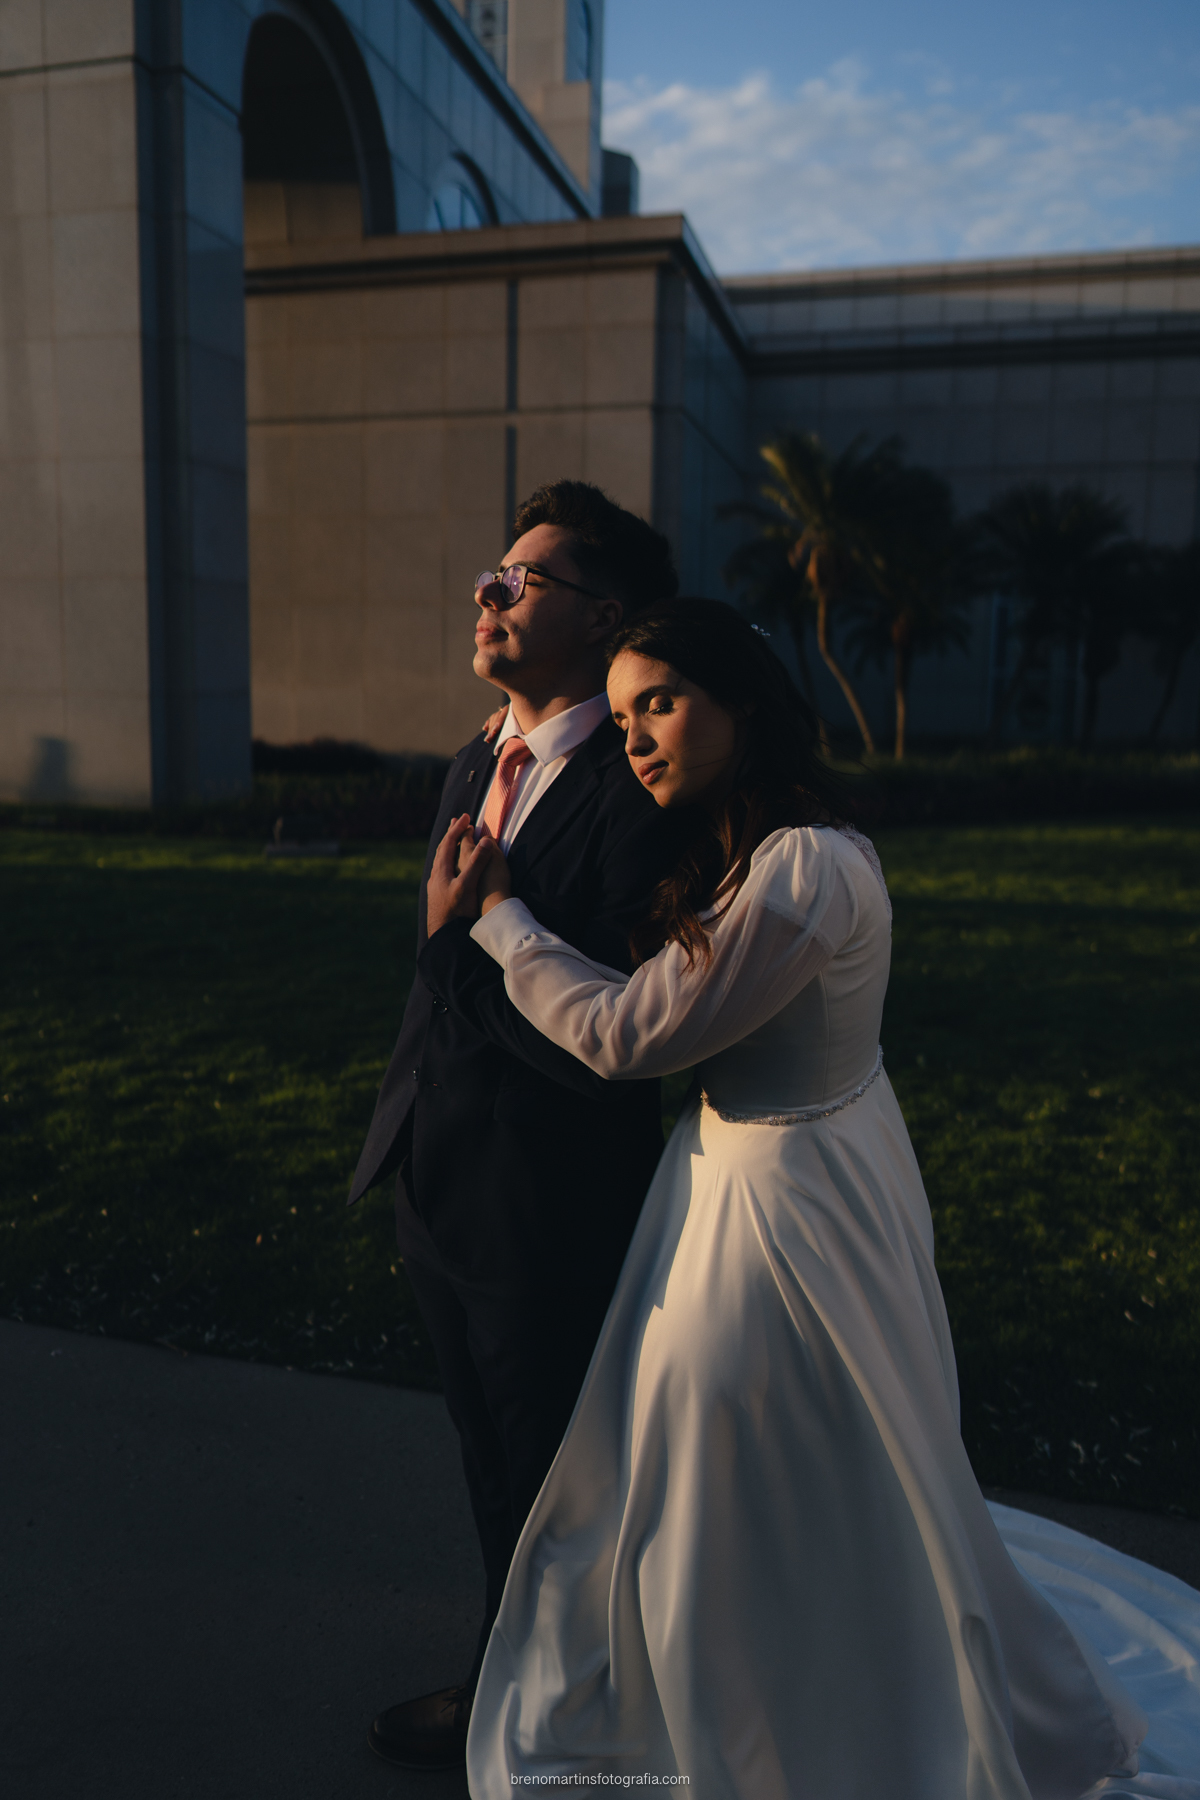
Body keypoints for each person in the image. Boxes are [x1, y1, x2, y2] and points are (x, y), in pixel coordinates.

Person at [429, 598, 1164, 1799]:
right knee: (721, 1449)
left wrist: (499, 919)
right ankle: (744, 1678)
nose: (637, 737)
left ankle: (819, 1706)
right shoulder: (742, 849)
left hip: (795, 1196)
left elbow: (630, 1034)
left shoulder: (808, 866)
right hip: (739, 1172)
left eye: (659, 702)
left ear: (745, 703)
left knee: (761, 1439)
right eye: (620, 718)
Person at [349, 482, 690, 1772]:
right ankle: (520, 1683)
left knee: (557, 1475)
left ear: (605, 617)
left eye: (525, 579)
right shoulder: (472, 757)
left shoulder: (635, 788)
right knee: (490, 1458)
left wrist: (456, 944)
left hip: (546, 1197)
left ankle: (558, 1716)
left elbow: (603, 1038)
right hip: (435, 1176)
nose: (488, 594)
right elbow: (446, 985)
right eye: (494, 572)